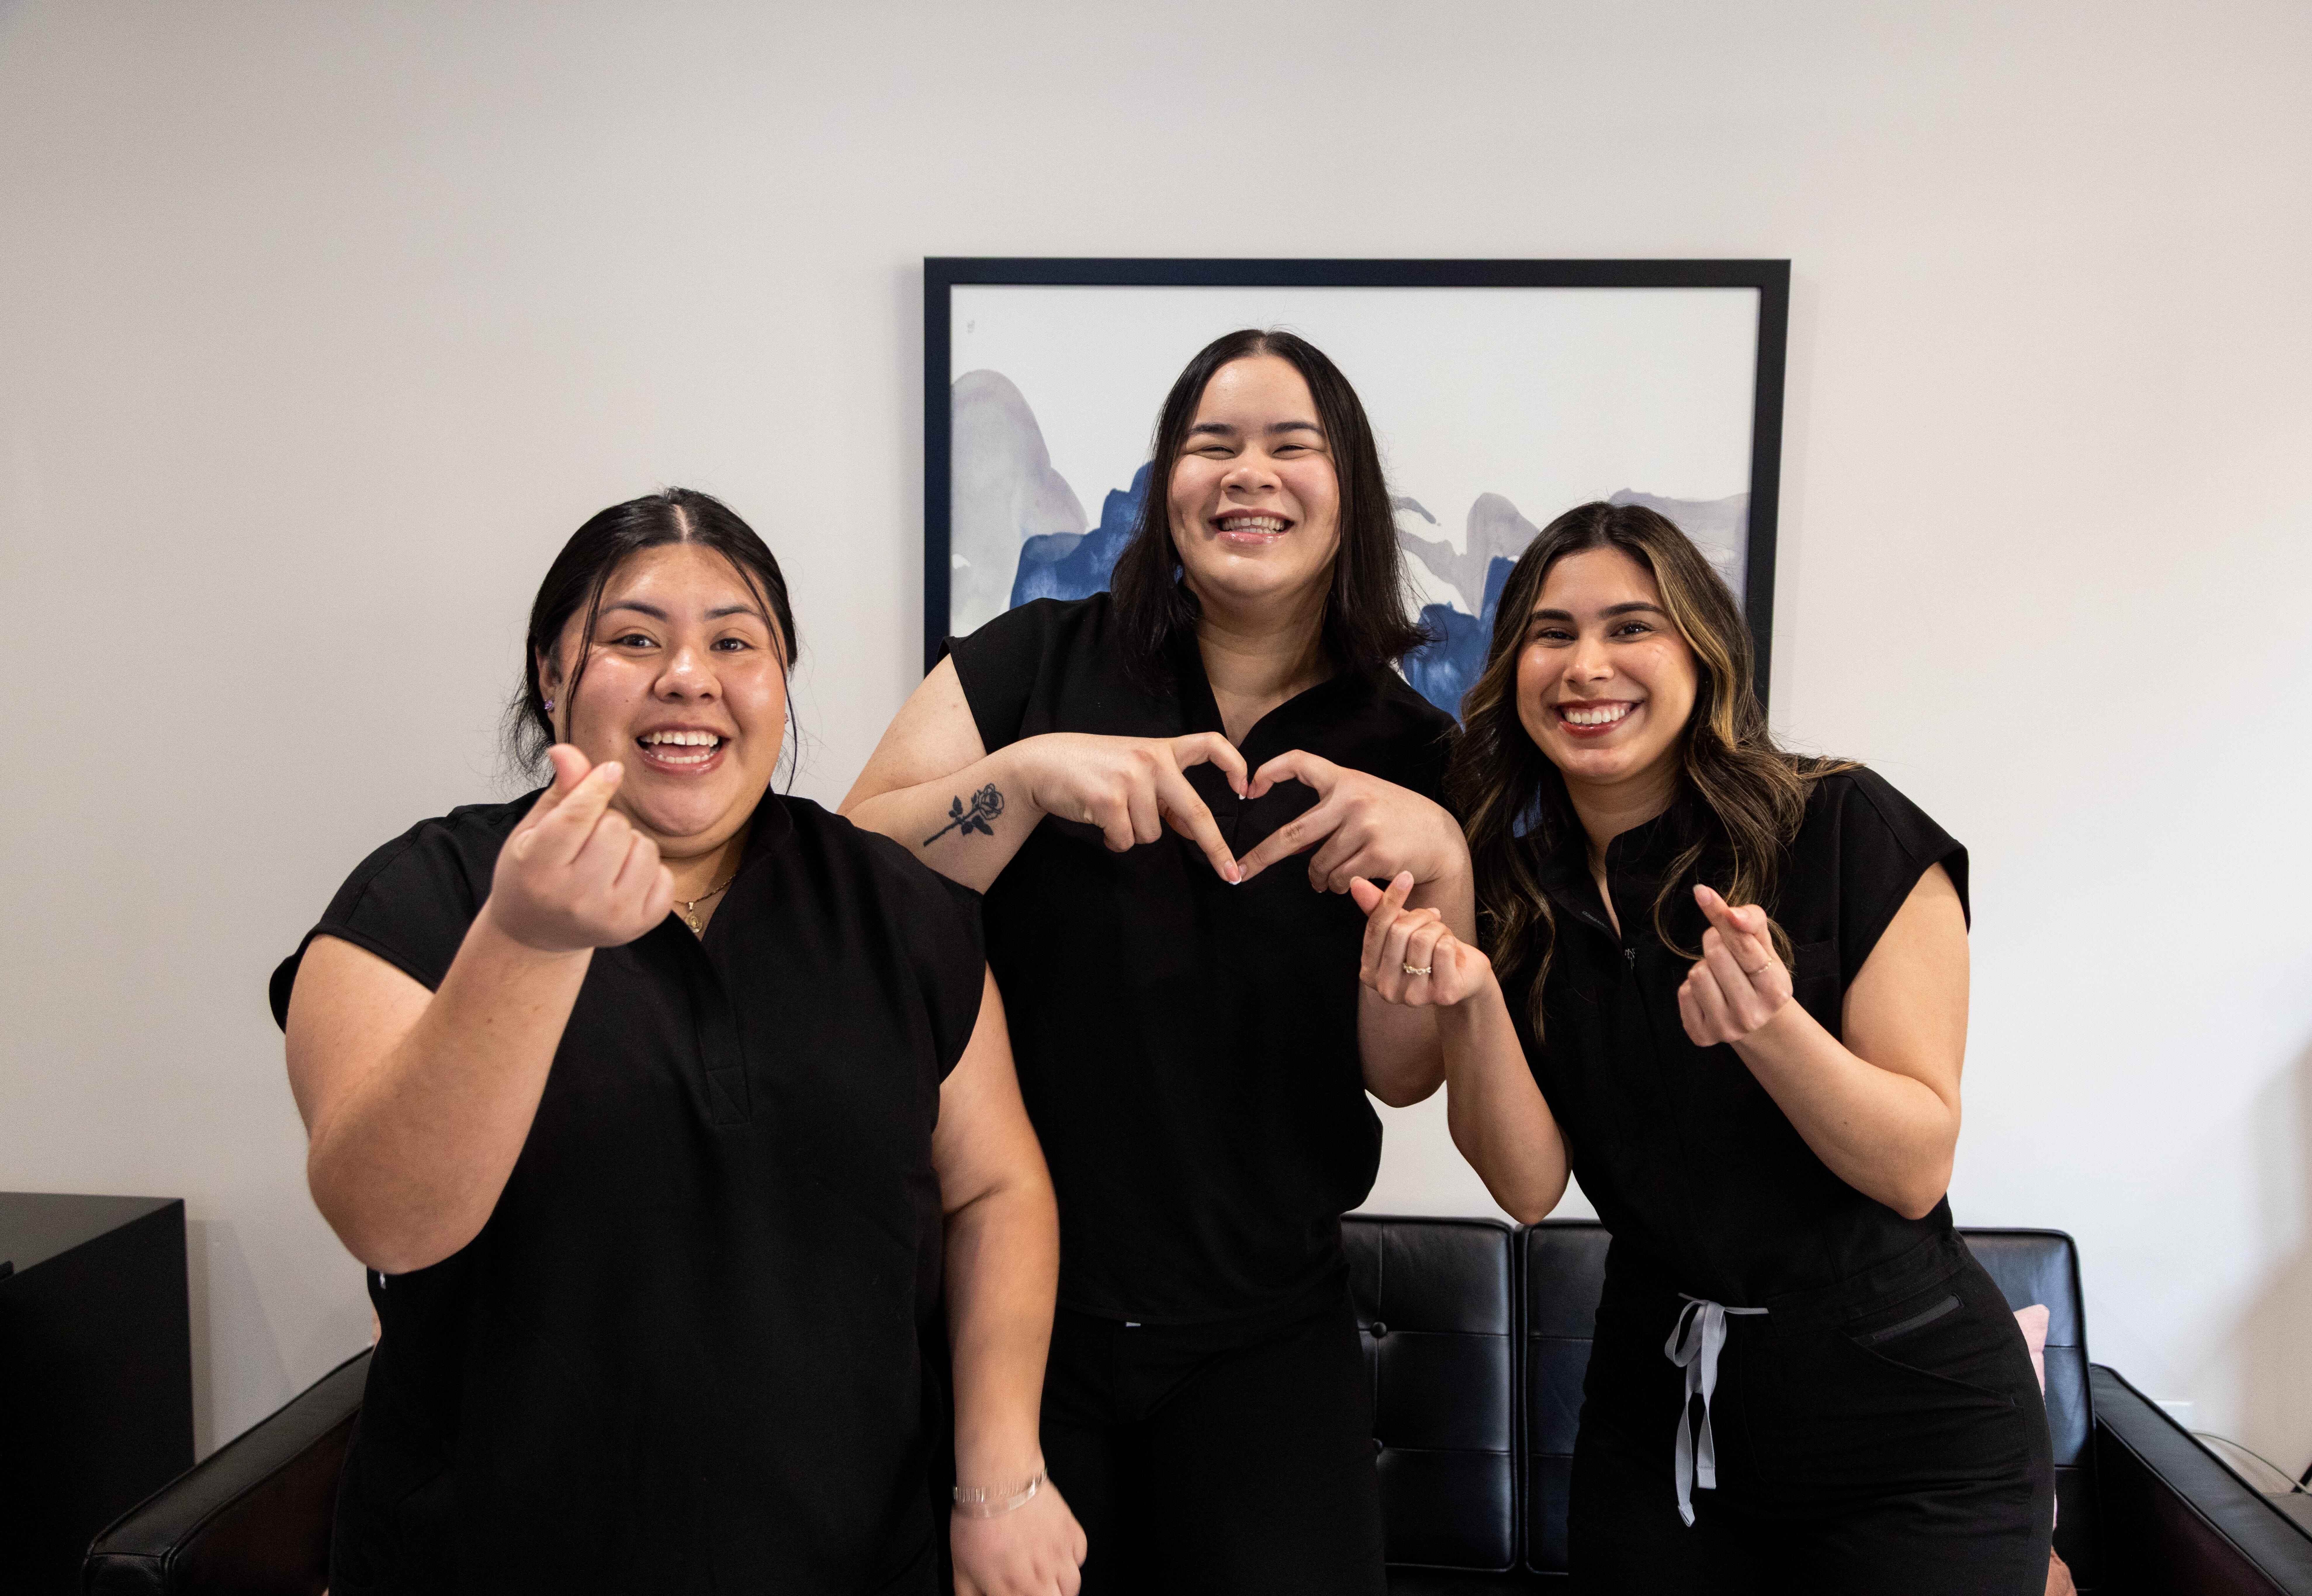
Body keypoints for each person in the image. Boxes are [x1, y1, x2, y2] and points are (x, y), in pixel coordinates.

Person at [272, 489, 1086, 1596]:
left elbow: (995, 1189)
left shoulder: (894, 906)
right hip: (496, 1554)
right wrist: (526, 941)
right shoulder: (428, 898)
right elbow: (390, 1221)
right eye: (634, 639)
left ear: (781, 678)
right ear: (553, 679)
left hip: (852, 1553)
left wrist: (1001, 1476)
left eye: (735, 642)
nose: (689, 676)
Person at [841, 331, 1463, 1594]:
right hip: (1011, 1325)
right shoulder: (1035, 659)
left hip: (1267, 1334)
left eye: (1292, 445)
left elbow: (1398, 1079)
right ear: (1163, 481)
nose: (1250, 474)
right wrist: (1018, 782)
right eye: (1210, 445)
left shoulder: (1412, 748)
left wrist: (1442, 864)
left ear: (1347, 488)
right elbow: (847, 878)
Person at [1356, 502, 2053, 1593]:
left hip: (1910, 1431)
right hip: (1662, 1413)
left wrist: (1774, 1033)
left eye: (1632, 627)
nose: (1587, 667)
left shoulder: (1842, 826)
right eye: (1551, 634)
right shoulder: (1519, 889)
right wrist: (1476, 1002)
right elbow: (1532, 1189)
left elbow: (1916, 1168)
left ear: (1703, 652)